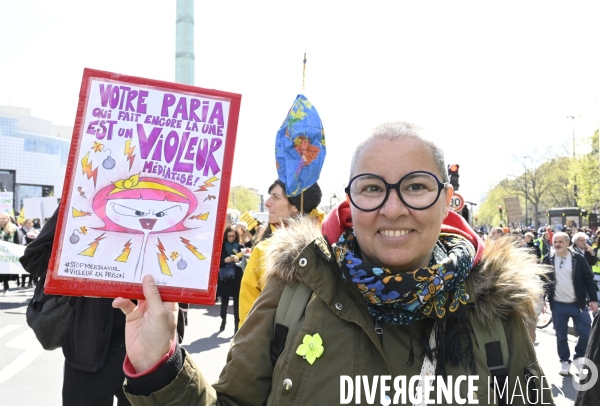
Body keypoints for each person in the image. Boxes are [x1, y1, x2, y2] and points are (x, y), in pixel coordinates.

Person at [114, 121, 553, 405]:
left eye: (416, 187)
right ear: (350, 202)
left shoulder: (495, 311)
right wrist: (161, 367)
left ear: (447, 202)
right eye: (371, 188)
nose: (393, 208)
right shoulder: (296, 288)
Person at [19, 209, 186, 405]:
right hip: (88, 349)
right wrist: (86, 249)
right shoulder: (84, 198)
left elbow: (186, 269)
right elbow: (35, 258)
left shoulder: (170, 201)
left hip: (150, 352)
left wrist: (175, 328)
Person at [237, 179, 323, 327]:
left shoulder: (328, 247)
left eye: (276, 197)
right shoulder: (262, 250)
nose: (267, 203)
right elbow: (248, 315)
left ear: (295, 206)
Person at [542, 231, 598, 377]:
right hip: (558, 305)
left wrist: (593, 300)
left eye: (560, 242)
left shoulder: (578, 258)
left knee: (585, 333)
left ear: (567, 243)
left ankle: (579, 359)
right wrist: (541, 300)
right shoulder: (548, 259)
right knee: (561, 336)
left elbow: (588, 279)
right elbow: (542, 281)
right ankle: (564, 362)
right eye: (555, 242)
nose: (557, 245)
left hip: (577, 304)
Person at [217, 225, 244, 333]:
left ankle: (236, 326)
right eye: (229, 236)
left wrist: (238, 259)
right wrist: (225, 260)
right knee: (224, 300)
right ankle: (223, 320)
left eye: (233, 236)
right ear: (226, 236)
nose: (231, 238)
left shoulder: (240, 246)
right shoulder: (221, 246)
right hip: (225, 277)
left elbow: (246, 260)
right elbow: (216, 262)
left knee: (237, 302)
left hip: (237, 277)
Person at [0, 212, 21, 294]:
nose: (1, 220)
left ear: (8, 219)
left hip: (7, 254)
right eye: (0, 218)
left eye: (3, 218)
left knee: (6, 271)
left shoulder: (13, 229)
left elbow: (17, 241)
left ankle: (6, 285)